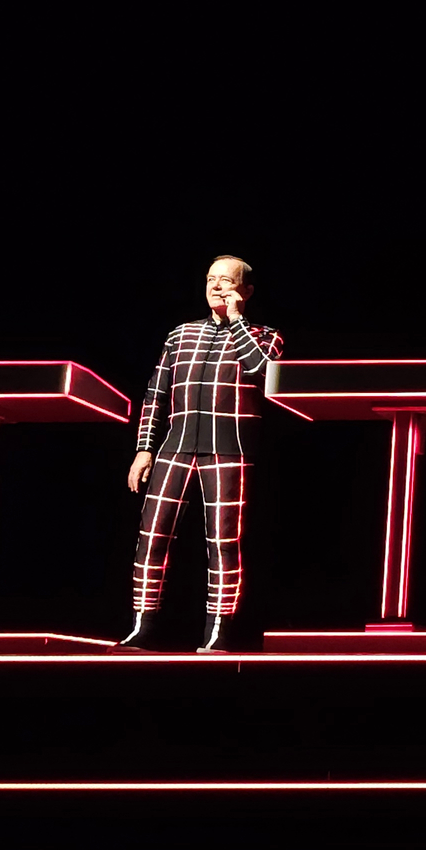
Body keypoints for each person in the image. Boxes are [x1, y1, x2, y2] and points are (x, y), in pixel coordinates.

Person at [114, 256, 283, 653]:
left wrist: (237, 320)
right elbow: (155, 395)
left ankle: (219, 632)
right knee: (152, 536)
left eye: (227, 280)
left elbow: (263, 373)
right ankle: (142, 627)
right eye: (211, 279)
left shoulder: (265, 336)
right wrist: (144, 449)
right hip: (174, 448)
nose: (217, 286)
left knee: (223, 542)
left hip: (229, 450)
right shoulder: (181, 335)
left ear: (247, 290)